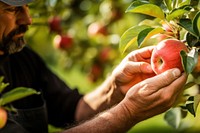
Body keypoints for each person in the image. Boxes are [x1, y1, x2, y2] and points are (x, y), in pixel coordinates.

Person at [0, 0, 188, 133]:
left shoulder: (21, 57)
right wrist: (128, 112)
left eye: (26, 7)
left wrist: (115, 88)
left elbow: (73, 110)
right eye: (11, 9)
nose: (28, 19)